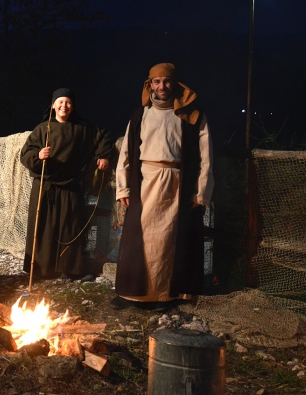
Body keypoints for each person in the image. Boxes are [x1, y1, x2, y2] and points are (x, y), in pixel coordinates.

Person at [111, 63, 214, 311]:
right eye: (156, 82)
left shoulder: (191, 115)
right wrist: (123, 188)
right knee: (140, 239)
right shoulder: (140, 115)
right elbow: (125, 154)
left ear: (175, 84)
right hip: (145, 182)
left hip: (177, 183)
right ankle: (135, 295)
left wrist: (201, 193)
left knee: (169, 240)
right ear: (149, 85)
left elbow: (206, 155)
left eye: (166, 82)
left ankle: (165, 296)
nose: (161, 87)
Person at [20, 88, 113, 281]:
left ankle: (69, 268)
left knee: (70, 228)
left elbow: (104, 137)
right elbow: (25, 154)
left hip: (72, 187)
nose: (64, 106)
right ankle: (41, 268)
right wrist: (37, 156)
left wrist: (103, 155)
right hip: (46, 187)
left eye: (68, 103)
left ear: (73, 107)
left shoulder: (83, 129)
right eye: (60, 102)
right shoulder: (42, 129)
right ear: (53, 105)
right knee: (44, 228)